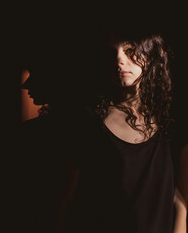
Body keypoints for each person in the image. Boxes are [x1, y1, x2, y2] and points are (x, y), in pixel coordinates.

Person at [57, 33, 187, 233]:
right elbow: (66, 201)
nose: (119, 59)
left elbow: (180, 202)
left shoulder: (172, 122)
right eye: (112, 53)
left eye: (130, 51)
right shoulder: (90, 122)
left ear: (151, 55)